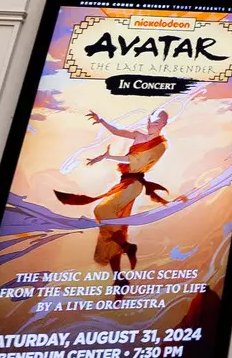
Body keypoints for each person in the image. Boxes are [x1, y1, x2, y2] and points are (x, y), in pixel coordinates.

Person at [53, 108, 172, 277]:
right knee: (111, 222)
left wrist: (108, 157)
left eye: (156, 122)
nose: (151, 125)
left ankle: (126, 247)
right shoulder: (138, 135)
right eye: (149, 121)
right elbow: (117, 131)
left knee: (102, 210)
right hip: (124, 182)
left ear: (163, 124)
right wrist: (101, 120)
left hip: (134, 184)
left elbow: (135, 161)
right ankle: (118, 272)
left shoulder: (160, 145)